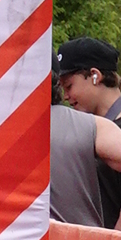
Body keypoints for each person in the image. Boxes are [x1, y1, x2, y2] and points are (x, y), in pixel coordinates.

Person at [55, 39, 121, 229]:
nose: (65, 97)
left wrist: (115, 239)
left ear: (95, 76)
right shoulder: (84, 129)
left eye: (69, 86)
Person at [50, 87, 121, 227]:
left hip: (81, 236)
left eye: (69, 86)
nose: (66, 96)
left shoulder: (86, 125)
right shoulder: (89, 125)